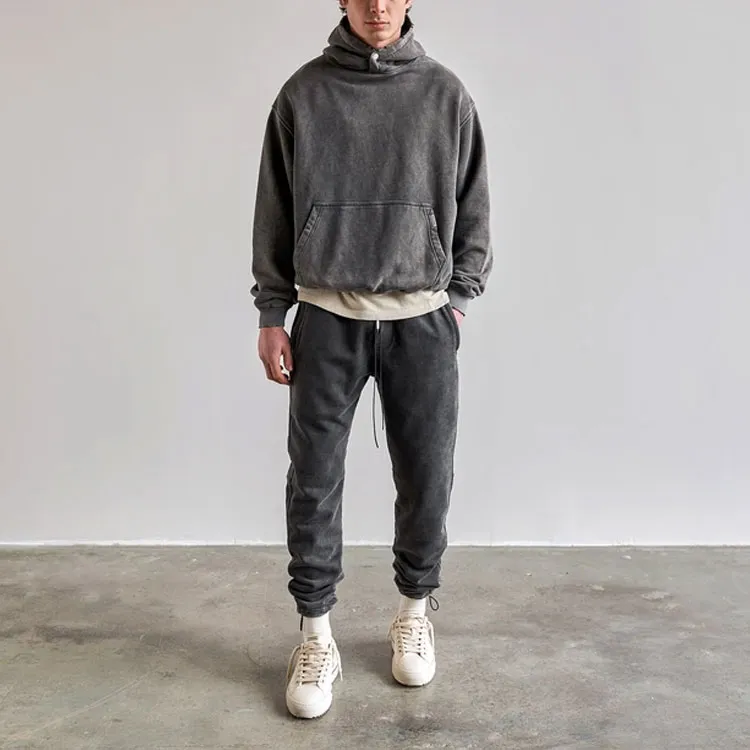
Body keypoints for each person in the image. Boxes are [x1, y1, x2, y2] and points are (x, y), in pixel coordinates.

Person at [251, 0, 493, 719]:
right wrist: (272, 312)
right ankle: (315, 634)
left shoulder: (445, 95)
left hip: (422, 321)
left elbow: (475, 205)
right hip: (326, 317)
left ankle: (414, 612)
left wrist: (457, 298)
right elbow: (274, 208)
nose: (378, 6)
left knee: (427, 474)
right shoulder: (303, 94)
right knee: (314, 478)